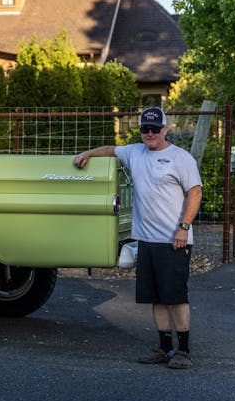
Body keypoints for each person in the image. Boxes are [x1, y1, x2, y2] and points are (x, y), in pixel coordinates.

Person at [73, 107, 203, 370]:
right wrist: (87, 153)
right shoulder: (134, 152)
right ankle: (164, 348)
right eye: (145, 129)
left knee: (175, 296)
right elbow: (111, 150)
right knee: (155, 297)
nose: (150, 133)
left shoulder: (181, 158)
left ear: (165, 129)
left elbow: (195, 192)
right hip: (146, 240)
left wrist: (184, 227)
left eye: (155, 129)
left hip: (173, 241)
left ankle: (183, 351)